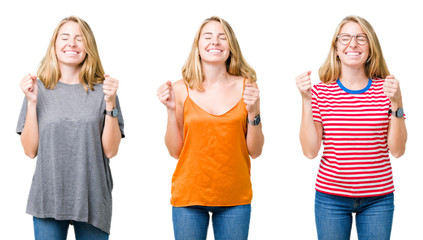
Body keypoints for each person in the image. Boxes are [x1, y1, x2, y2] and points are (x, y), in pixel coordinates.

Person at [296, 15, 407, 240]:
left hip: (379, 198)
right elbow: (310, 151)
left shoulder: (387, 91)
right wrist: (306, 100)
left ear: (371, 49)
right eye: (345, 38)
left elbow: (397, 150)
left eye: (361, 38)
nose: (352, 44)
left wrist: (397, 103)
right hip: (331, 198)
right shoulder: (320, 93)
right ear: (336, 49)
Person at [17, 16, 124, 240]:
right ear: (54, 47)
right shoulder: (38, 89)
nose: (72, 43)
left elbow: (111, 151)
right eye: (65, 38)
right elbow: (30, 150)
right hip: (48, 197)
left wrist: (111, 103)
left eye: (79, 38)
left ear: (88, 47)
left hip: (93, 199)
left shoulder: (104, 90)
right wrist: (32, 102)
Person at [157, 16, 264, 240]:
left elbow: (255, 151)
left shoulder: (248, 87)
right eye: (208, 36)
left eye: (222, 37)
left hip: (235, 198)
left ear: (230, 48)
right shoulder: (180, 89)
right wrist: (169, 110)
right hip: (189, 197)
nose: (215, 42)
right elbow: (175, 151)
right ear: (198, 47)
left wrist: (254, 112)